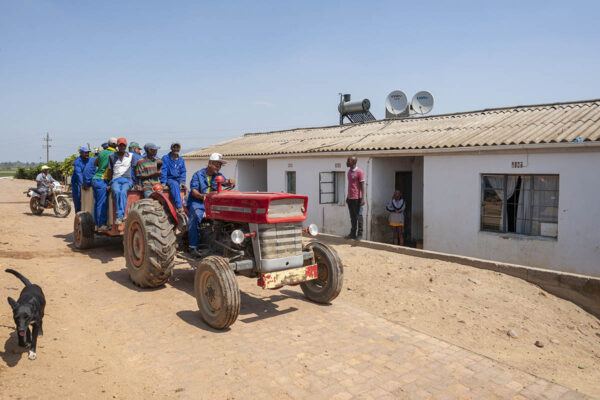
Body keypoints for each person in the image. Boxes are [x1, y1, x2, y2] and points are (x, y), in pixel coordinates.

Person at [187, 153, 234, 256]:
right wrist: (202, 196)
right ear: (210, 163)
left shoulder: (219, 176)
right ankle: (193, 246)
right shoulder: (198, 175)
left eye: (220, 165)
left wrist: (230, 182)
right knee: (195, 216)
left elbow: (225, 182)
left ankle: (223, 243)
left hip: (212, 203)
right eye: (217, 165)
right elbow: (194, 191)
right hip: (198, 202)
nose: (218, 167)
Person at [92, 138, 117, 230]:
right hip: (102, 180)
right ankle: (101, 225)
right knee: (102, 203)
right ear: (116, 145)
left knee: (97, 203)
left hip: (96, 179)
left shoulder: (102, 152)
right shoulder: (114, 154)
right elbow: (111, 169)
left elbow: (95, 163)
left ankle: (96, 223)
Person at [108, 138, 134, 226]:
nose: (122, 147)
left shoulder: (131, 156)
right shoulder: (112, 156)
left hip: (127, 179)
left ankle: (120, 216)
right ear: (117, 146)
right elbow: (110, 171)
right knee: (116, 191)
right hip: (115, 179)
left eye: (124, 145)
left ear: (126, 146)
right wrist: (109, 182)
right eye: (120, 145)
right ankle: (121, 215)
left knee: (123, 192)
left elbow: (136, 167)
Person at [161, 142, 186, 213]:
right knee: (174, 184)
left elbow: (183, 171)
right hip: (169, 179)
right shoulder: (166, 158)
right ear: (171, 148)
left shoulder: (181, 160)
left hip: (178, 179)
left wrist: (182, 181)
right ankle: (179, 207)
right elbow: (164, 170)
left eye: (177, 147)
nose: (176, 149)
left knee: (188, 190)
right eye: (174, 147)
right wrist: (163, 182)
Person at [345, 156, 365, 240]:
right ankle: (352, 233)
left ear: (353, 162)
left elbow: (362, 186)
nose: (347, 162)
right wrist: (347, 196)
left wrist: (363, 198)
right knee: (352, 217)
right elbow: (350, 186)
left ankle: (359, 234)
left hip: (357, 198)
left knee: (358, 216)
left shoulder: (359, 172)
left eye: (348, 161)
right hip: (350, 198)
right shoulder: (349, 172)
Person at [71, 146, 91, 213]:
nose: (87, 154)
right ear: (81, 153)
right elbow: (79, 174)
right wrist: (83, 184)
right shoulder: (77, 162)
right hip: (77, 184)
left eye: (88, 152)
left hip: (86, 182)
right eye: (85, 153)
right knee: (78, 199)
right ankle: (78, 214)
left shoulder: (89, 160)